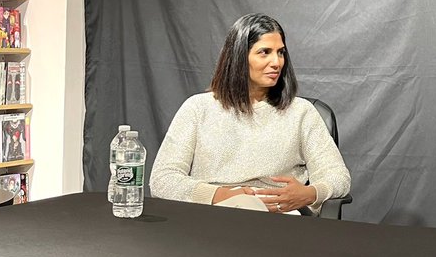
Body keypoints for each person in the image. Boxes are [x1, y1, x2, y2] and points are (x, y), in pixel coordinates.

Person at [150, 13, 351, 214]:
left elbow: (338, 176)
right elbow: (163, 179)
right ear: (238, 57)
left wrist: (310, 194)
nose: (277, 62)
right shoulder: (197, 108)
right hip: (211, 216)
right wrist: (222, 196)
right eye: (264, 52)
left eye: (280, 53)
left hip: (279, 218)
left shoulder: (301, 112)